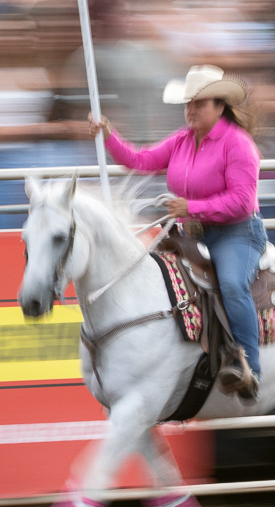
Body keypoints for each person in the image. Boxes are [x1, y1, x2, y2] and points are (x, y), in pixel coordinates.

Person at [90, 65, 265, 399]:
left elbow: (242, 202)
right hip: (193, 233)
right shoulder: (183, 141)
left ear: (219, 106)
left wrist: (191, 208)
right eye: (188, 104)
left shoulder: (238, 145)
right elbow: (140, 160)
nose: (190, 110)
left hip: (236, 234)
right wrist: (109, 136)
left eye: (199, 103)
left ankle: (250, 367)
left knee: (231, 283)